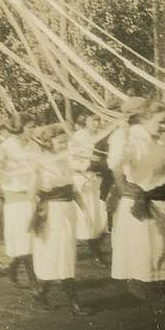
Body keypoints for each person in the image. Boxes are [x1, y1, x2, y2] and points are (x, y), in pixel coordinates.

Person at [111, 101, 165, 308]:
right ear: (144, 119)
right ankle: (143, 289)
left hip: (164, 196)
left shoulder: (164, 139)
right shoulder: (129, 138)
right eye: (161, 121)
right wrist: (122, 135)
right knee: (145, 250)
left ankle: (164, 284)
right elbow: (116, 163)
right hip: (142, 200)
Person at [31, 128, 93, 316]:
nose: (65, 146)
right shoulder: (40, 162)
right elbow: (31, 192)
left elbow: (73, 191)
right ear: (49, 143)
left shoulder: (66, 161)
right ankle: (74, 303)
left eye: (66, 143)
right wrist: (38, 211)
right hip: (51, 213)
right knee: (56, 253)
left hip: (67, 212)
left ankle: (40, 292)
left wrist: (86, 211)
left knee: (65, 253)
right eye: (60, 143)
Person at [0, 114, 39, 287]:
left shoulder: (34, 146)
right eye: (30, 126)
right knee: (24, 239)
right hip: (15, 198)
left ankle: (12, 268)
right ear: (20, 128)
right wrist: (9, 172)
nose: (33, 130)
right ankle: (34, 282)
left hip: (31, 196)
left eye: (34, 126)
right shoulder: (6, 147)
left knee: (29, 240)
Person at [70, 113, 109, 267]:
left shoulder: (101, 135)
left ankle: (95, 249)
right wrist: (88, 164)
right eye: (93, 119)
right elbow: (72, 159)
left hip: (97, 180)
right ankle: (95, 253)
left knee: (101, 216)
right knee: (88, 217)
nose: (96, 122)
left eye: (99, 119)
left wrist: (101, 164)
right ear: (85, 119)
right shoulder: (78, 137)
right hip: (84, 179)